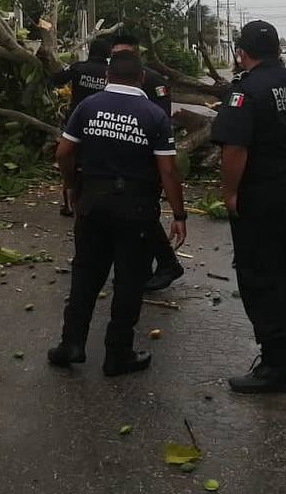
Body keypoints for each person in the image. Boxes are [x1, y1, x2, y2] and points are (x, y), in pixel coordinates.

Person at [48, 51, 186, 377]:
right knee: (128, 281)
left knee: (85, 275)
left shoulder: (87, 107)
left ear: (108, 77)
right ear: (141, 79)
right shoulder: (154, 115)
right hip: (135, 209)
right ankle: (118, 354)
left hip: (92, 202)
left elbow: (64, 152)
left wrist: (72, 185)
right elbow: (168, 170)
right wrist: (179, 214)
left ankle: (71, 344)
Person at [211, 21, 286, 395]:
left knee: (262, 273)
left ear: (242, 53)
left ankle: (275, 366)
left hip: (263, 193)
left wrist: (230, 192)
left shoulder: (245, 92)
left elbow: (235, 148)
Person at [107, 33, 185, 293]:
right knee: (129, 214)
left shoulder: (153, 80)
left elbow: (162, 118)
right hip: (116, 157)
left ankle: (165, 263)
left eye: (125, 53)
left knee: (143, 213)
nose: (121, 58)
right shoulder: (111, 76)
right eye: (116, 54)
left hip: (147, 157)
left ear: (137, 53)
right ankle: (141, 269)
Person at [49, 37, 113, 216]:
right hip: (103, 122)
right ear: (108, 53)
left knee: (68, 159)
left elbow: (56, 79)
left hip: (76, 121)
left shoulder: (78, 67)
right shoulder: (110, 72)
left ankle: (68, 204)